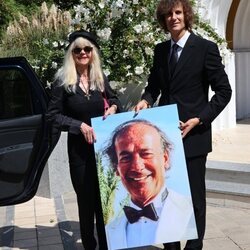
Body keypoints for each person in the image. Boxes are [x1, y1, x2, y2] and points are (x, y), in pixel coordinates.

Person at [134, 0, 232, 250]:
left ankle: (194, 246)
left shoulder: (205, 48)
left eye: (177, 12)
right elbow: (154, 85)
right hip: (165, 137)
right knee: (166, 200)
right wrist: (145, 99)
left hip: (194, 136)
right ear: (163, 19)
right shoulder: (159, 50)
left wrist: (200, 118)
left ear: (186, 15)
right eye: (168, 14)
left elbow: (224, 91)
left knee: (194, 200)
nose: (173, 18)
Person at [46, 30, 122, 250]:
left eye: (87, 49)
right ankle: (90, 245)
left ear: (93, 52)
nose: (82, 53)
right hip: (79, 153)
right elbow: (52, 116)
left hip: (104, 151)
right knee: (86, 203)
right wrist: (78, 126)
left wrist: (114, 107)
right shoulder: (63, 81)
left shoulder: (99, 77)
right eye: (77, 49)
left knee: (104, 202)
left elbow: (114, 98)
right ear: (72, 53)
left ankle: (107, 245)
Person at [104, 119, 197, 250]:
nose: (137, 167)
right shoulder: (110, 229)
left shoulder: (190, 210)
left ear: (165, 159)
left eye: (146, 154)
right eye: (126, 157)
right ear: (116, 168)